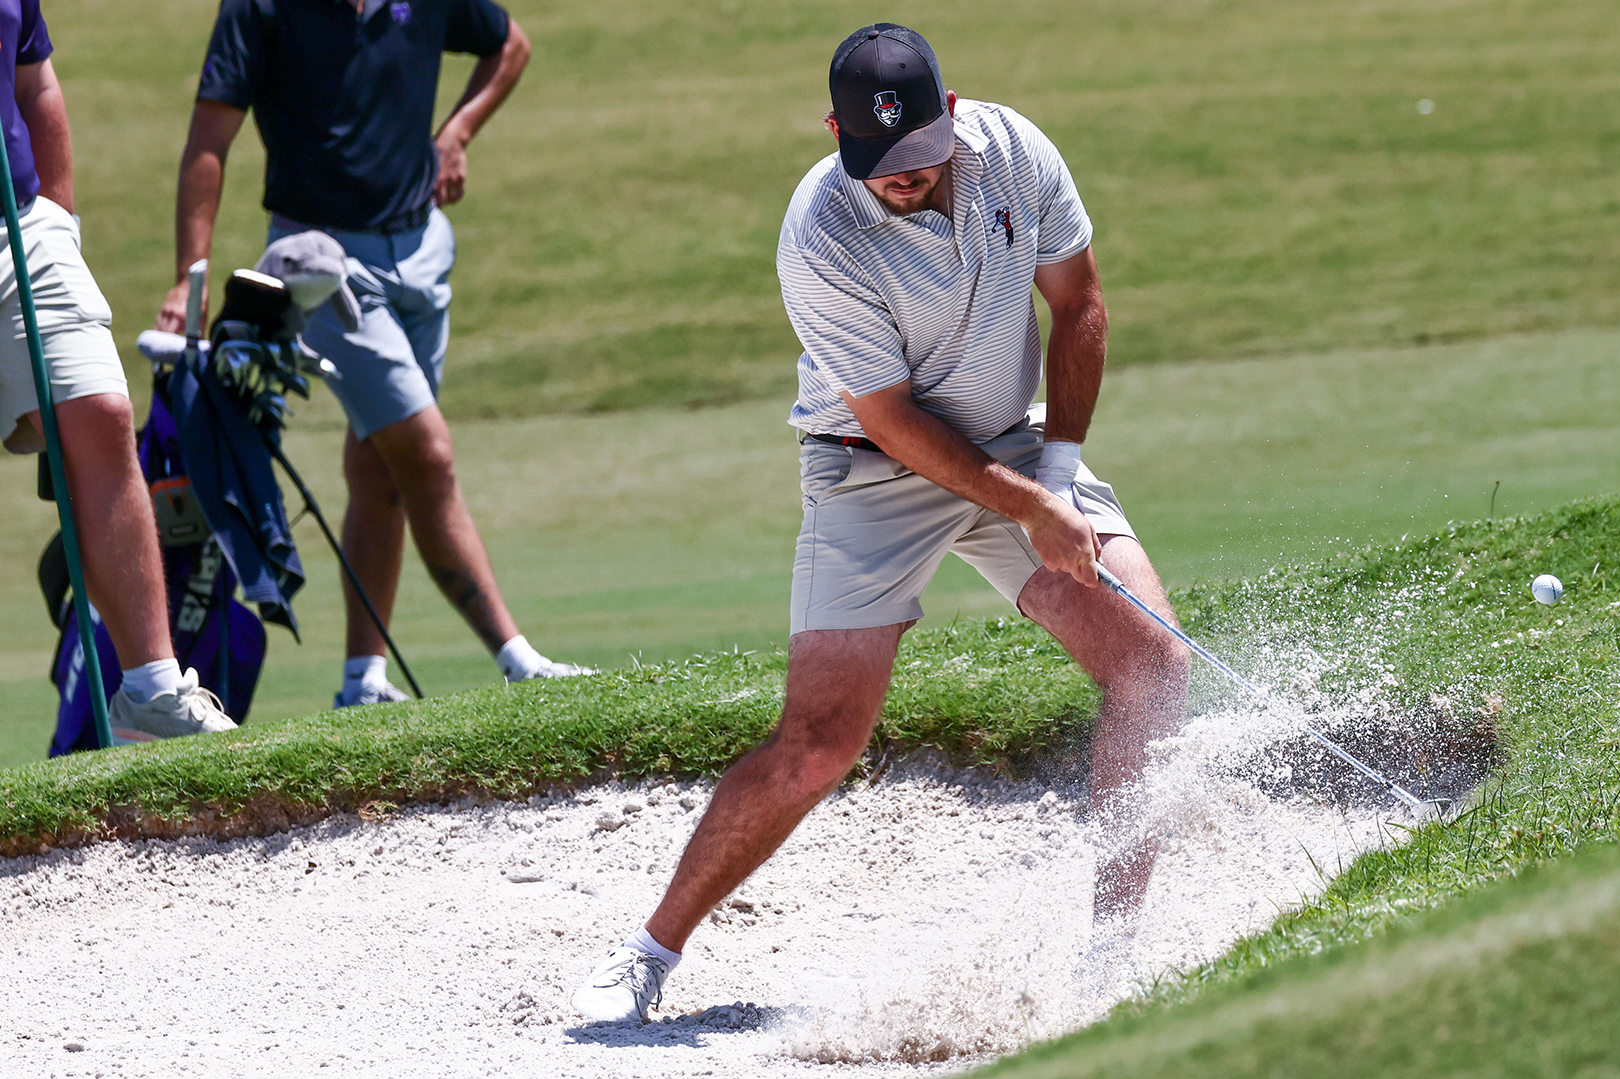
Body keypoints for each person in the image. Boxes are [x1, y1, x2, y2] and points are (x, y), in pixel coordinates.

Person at [571, 23, 1191, 1022]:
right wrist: (1030, 506)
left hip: (1011, 442)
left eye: (916, 161)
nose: (900, 180)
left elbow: (1078, 303)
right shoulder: (818, 233)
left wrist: (1059, 478)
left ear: (952, 113)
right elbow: (893, 421)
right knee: (818, 744)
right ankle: (649, 951)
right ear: (835, 133)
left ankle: (1111, 966)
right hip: (873, 472)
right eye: (876, 164)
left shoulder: (1016, 151)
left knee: (1154, 665)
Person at [157, 0, 591, 708]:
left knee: (381, 469)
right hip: (323, 270)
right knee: (428, 456)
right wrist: (190, 276)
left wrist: (456, 133)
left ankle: (362, 680)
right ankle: (517, 659)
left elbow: (509, 45)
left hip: (425, 253)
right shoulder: (260, 9)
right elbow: (209, 140)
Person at [1, 1, 237, 742]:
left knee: (100, 412)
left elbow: (34, 83)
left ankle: (151, 695)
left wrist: (57, 220)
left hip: (18, 222)